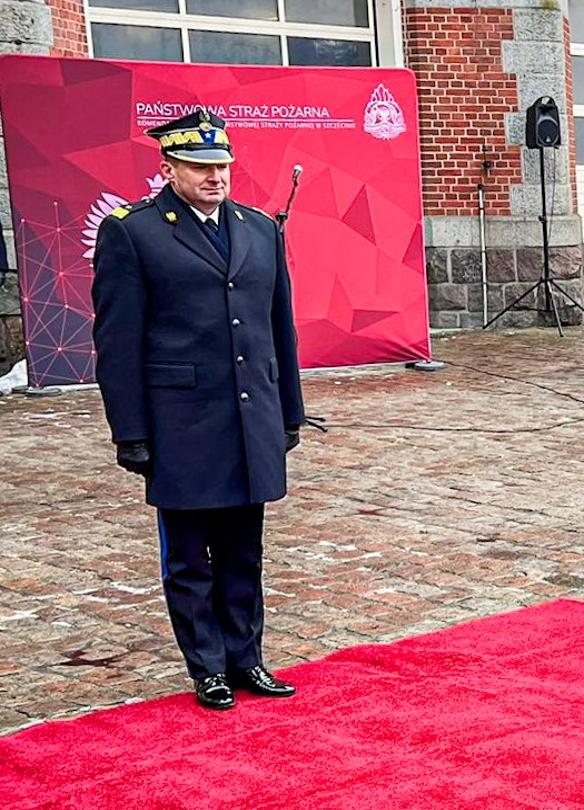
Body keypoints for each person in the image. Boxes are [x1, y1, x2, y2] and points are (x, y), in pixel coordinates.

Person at [91, 110, 306, 712]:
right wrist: (130, 431)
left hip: (249, 420)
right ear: (169, 170)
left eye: (222, 167)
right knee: (189, 557)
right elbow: (118, 341)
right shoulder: (133, 232)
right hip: (181, 424)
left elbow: (279, 330)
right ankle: (208, 667)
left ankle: (247, 657)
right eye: (199, 167)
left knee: (243, 550)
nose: (215, 177)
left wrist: (289, 411)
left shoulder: (259, 229)